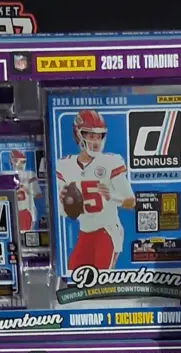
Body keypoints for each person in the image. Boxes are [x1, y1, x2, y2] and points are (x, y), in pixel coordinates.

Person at [55, 109, 135, 270]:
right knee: (73, 274)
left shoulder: (110, 162)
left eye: (99, 136)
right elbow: (64, 213)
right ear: (78, 135)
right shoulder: (64, 165)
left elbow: (131, 202)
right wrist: (62, 201)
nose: (96, 141)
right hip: (84, 232)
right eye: (91, 136)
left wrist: (112, 196)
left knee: (101, 280)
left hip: (107, 230)